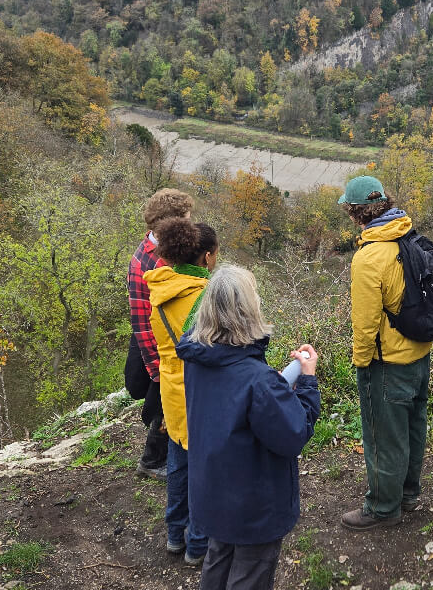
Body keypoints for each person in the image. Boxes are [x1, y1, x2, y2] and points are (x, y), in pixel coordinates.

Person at [176, 265, 320, 590]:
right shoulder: (258, 380)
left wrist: (280, 390)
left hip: (212, 491)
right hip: (254, 504)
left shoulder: (197, 359)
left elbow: (232, 407)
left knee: (218, 559)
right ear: (248, 311)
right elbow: (294, 433)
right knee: (250, 574)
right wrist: (307, 380)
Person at [337, 176, 432, 531]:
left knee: (383, 436)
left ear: (354, 212)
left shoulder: (369, 257)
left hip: (387, 362)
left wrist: (361, 364)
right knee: (412, 426)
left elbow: (364, 324)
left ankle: (382, 507)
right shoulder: (409, 237)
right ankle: (407, 493)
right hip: (419, 353)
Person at [145, 218, 218, 565]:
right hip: (203, 389)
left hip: (173, 388)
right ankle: (199, 544)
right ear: (206, 256)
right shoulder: (204, 295)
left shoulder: (159, 288)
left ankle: (176, 534)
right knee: (205, 469)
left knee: (177, 462)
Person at [126, 188, 194, 478]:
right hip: (160, 347)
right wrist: (157, 369)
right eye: (186, 220)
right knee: (164, 406)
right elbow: (142, 323)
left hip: (168, 340)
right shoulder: (146, 263)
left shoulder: (161, 252)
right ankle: (152, 461)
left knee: (169, 404)